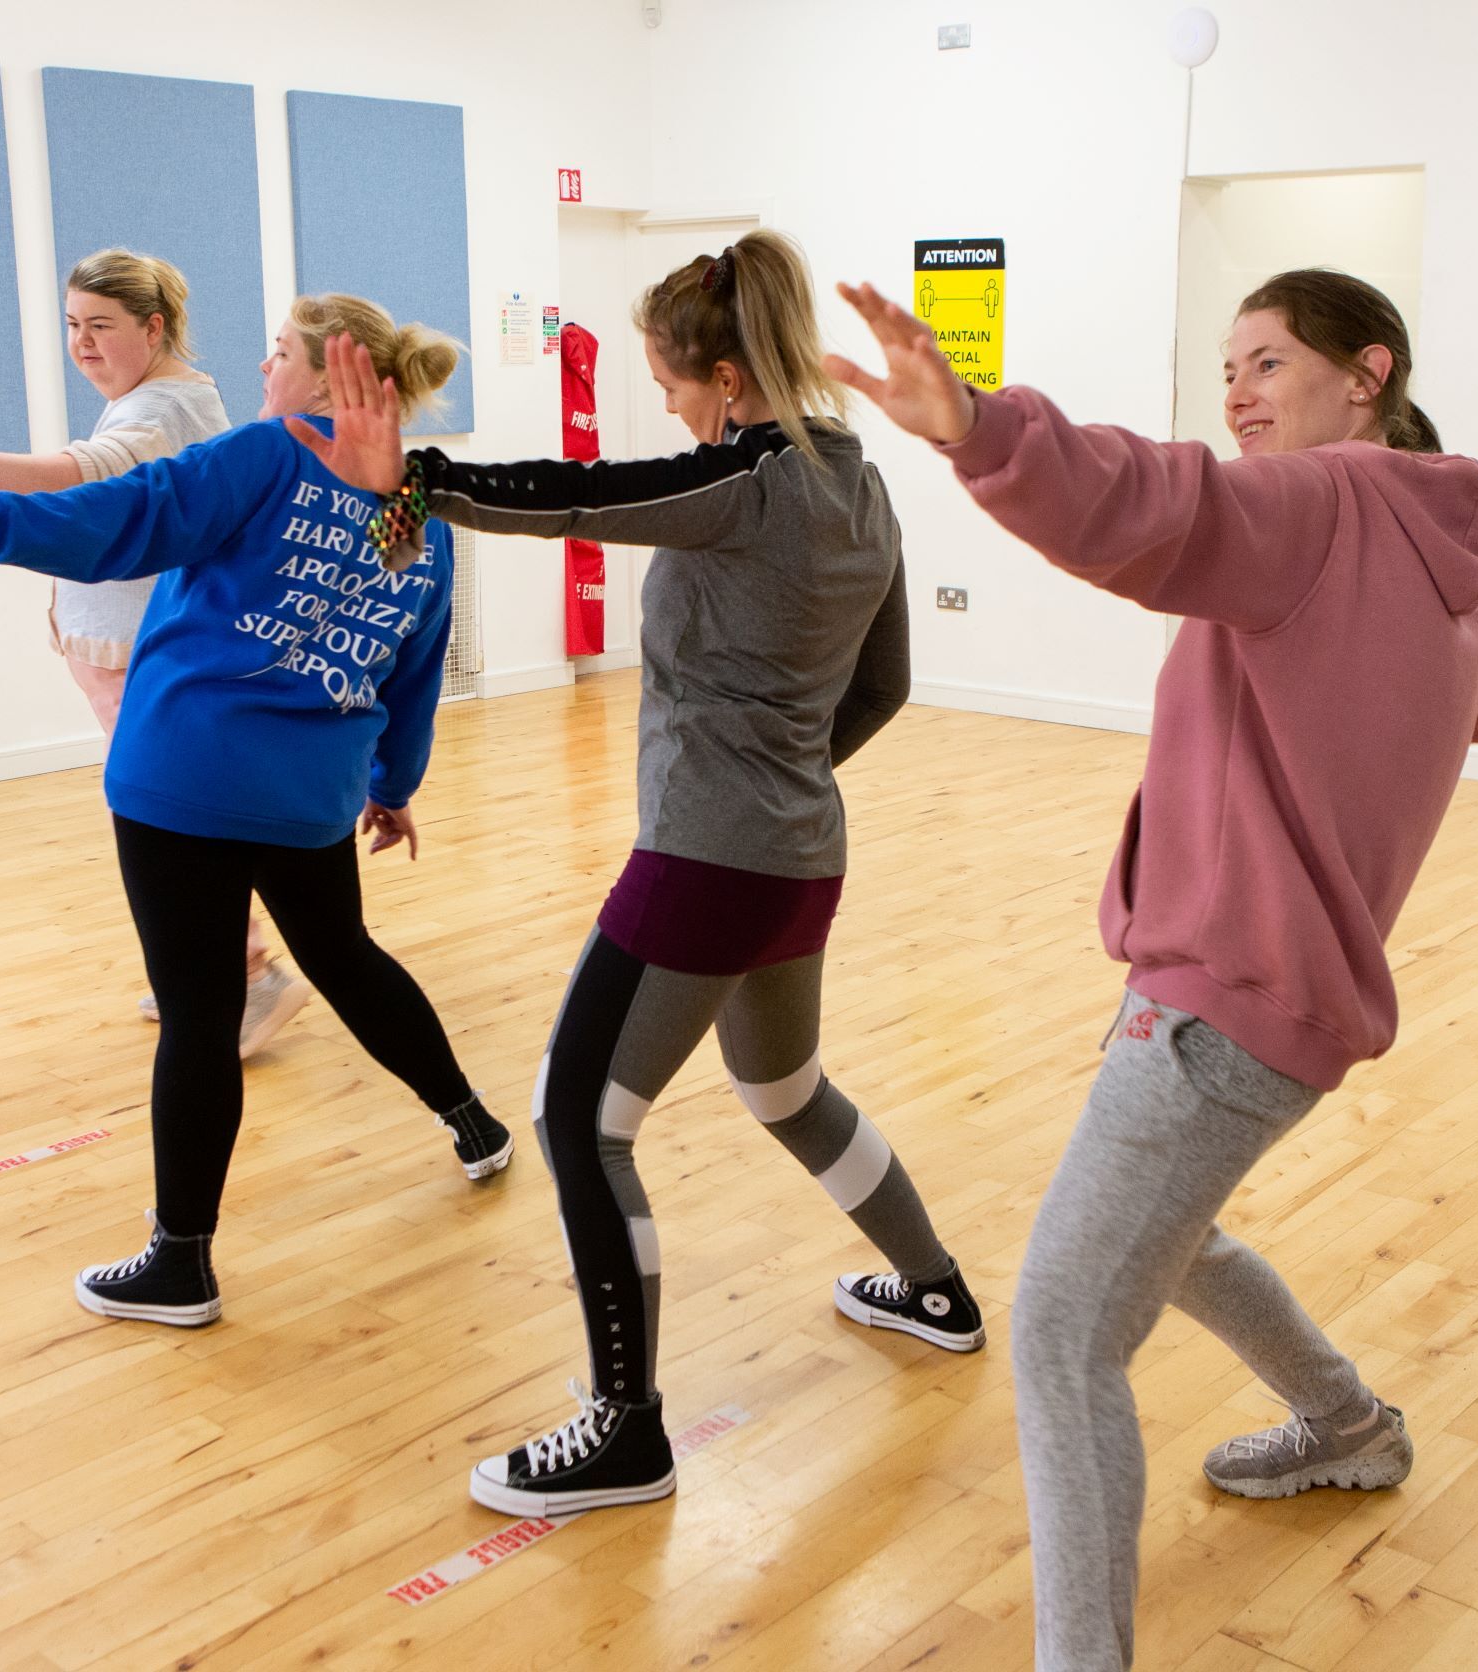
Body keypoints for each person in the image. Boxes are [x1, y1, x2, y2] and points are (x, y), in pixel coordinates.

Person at [824, 267, 1478, 1670]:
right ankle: (1346, 1424)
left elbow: (1158, 507)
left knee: (1060, 1333)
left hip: (1220, 1001)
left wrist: (979, 425)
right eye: (1227, 366)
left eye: (1269, 362)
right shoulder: (1443, 545)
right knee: (1171, 1237)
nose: (1236, 393)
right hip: (1275, 1003)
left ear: (1368, 373)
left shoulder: (1316, 505)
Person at [296, 230, 983, 1517]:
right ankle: (935, 1289)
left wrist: (415, 480)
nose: (664, 405)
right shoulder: (860, 479)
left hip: (708, 859)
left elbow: (579, 498)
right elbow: (885, 682)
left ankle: (627, 1428)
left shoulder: (750, 477)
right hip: (798, 857)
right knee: (786, 1090)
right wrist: (783, 774)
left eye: (668, 382)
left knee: (578, 1119)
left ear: (725, 378)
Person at [0, 294, 513, 1328]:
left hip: (186, 779)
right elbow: (415, 659)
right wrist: (392, 786)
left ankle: (181, 1263)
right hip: (310, 794)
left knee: (198, 1015)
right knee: (344, 955)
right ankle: (473, 1121)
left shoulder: (269, 453)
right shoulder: (415, 509)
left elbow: (134, 515)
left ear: (331, 375)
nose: (263, 370)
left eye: (278, 352)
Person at [0, 249, 304, 1055]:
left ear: (153, 327)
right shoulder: (164, 397)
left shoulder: (161, 410)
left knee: (170, 823)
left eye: (100, 326)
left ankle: (246, 976)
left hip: (139, 655)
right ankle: (216, 971)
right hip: (133, 652)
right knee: (173, 818)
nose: (81, 344)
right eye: (72, 325)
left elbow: (83, 476)